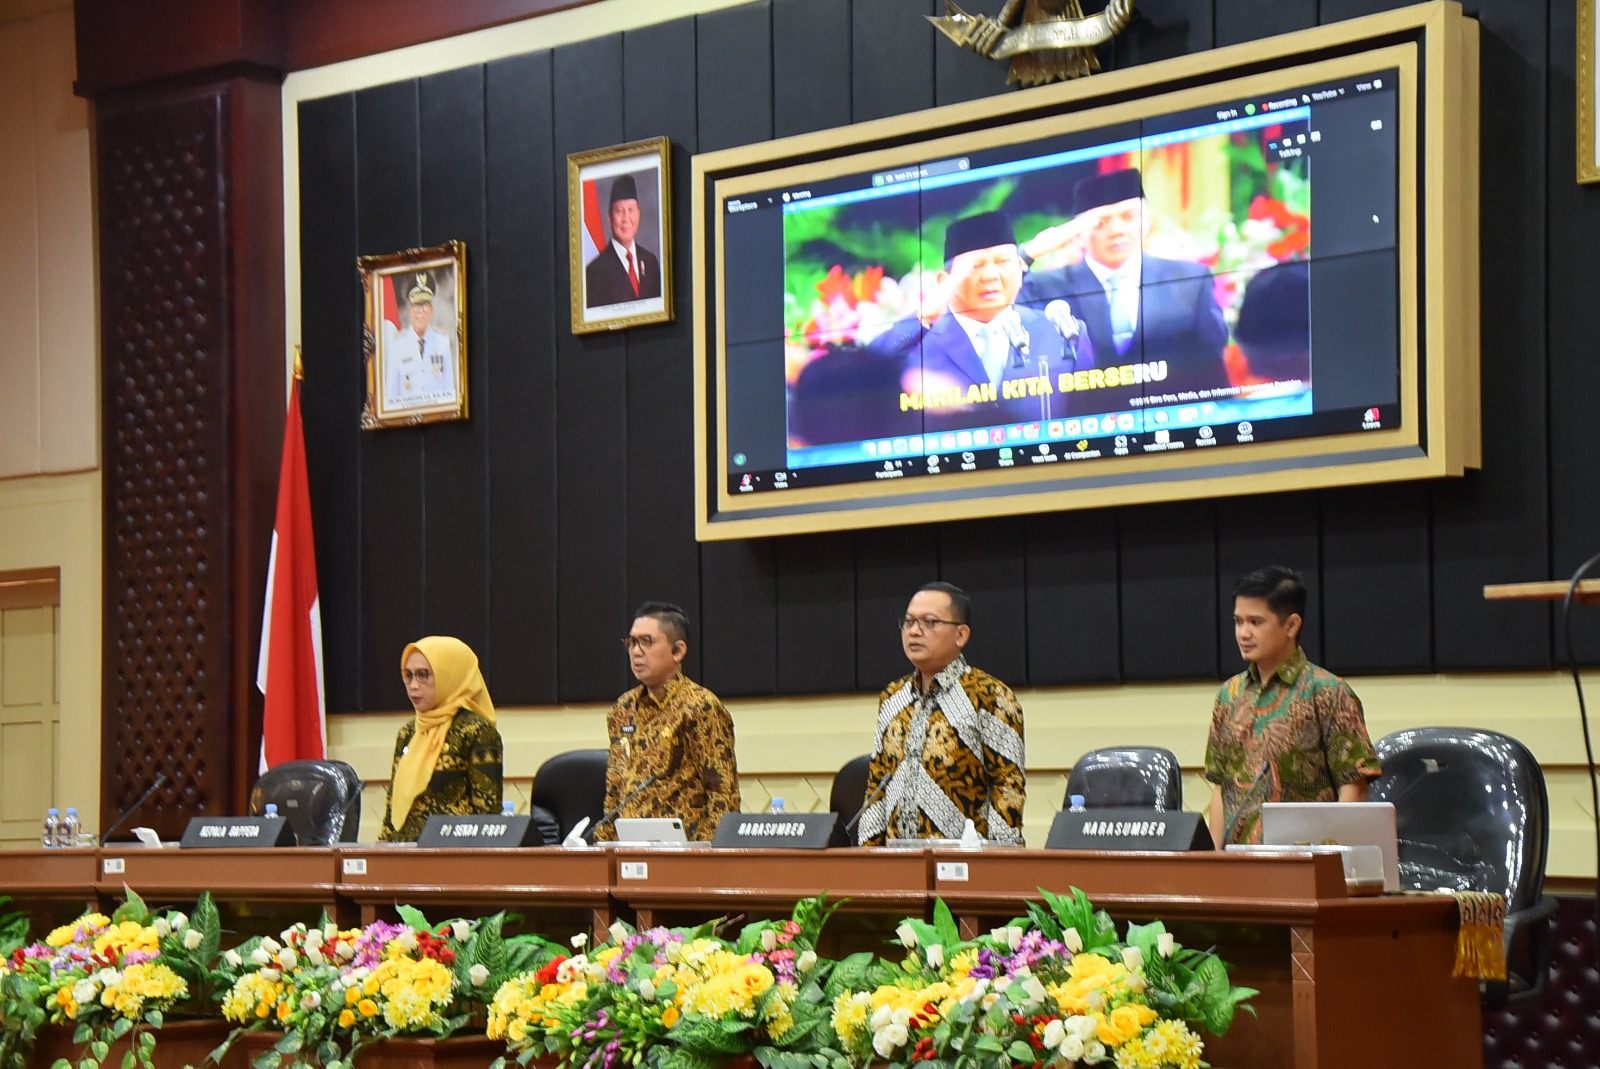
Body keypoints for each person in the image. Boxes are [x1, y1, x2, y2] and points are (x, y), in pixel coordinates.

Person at [866, 211, 1091, 432]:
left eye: (1003, 262)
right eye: (975, 266)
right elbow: (870, 369)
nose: (991, 275)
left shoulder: (1061, 332)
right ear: (945, 281)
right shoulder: (917, 343)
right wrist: (923, 318)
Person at [1204, 566, 1380, 846]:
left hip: (1306, 863)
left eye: (1255, 622)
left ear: (1291, 625)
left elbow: (1353, 788)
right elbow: (1220, 788)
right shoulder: (1229, 695)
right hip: (1239, 866)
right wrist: (1214, 863)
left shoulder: (1327, 692)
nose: (1243, 633)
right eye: (1238, 622)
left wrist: (1337, 863)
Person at [1019, 167, 1228, 400]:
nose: (1116, 231)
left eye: (1129, 217)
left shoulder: (1189, 280)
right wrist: (1029, 253)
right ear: (1077, 233)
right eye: (1100, 223)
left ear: (1147, 222)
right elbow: (995, 305)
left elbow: (1212, 363)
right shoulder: (1047, 288)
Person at [857, 581, 1025, 846]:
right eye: (909, 621)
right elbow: (877, 784)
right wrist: (869, 857)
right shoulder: (892, 697)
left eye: (930, 622)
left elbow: (1008, 784)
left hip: (965, 865)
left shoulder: (990, 695)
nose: (914, 631)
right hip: (897, 863)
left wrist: (998, 861)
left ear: (961, 635)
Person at [594, 602, 740, 841]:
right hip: (628, 850)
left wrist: (703, 858)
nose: (636, 651)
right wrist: (604, 847)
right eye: (631, 642)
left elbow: (723, 796)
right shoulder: (622, 708)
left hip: (684, 854)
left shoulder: (700, 706)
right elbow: (615, 789)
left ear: (677, 651)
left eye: (647, 641)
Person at [378, 635, 503, 842]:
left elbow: (487, 817)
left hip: (454, 857)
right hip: (404, 855)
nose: (413, 685)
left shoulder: (476, 731)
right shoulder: (408, 732)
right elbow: (393, 806)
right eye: (408, 675)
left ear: (450, 676)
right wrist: (380, 852)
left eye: (423, 675)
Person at [584, 172, 662, 307]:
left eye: (631, 210)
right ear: (609, 218)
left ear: (638, 214)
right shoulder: (594, 272)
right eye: (619, 211)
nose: (626, 219)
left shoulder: (650, 262)